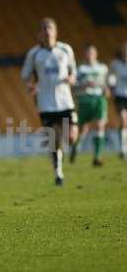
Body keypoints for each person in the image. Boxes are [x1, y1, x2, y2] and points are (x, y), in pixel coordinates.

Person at [21, 17, 78, 186]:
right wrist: (30, 85)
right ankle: (58, 173)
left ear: (55, 31)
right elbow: (25, 75)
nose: (47, 31)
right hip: (46, 104)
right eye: (43, 28)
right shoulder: (34, 54)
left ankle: (73, 145)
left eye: (50, 28)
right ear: (39, 34)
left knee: (72, 137)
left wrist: (72, 78)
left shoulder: (65, 49)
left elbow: (73, 70)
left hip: (66, 101)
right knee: (54, 140)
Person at [70, 44, 109, 166]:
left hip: (99, 100)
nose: (90, 55)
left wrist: (106, 89)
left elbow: (106, 84)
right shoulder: (80, 70)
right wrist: (84, 85)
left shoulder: (103, 68)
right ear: (85, 54)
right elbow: (73, 86)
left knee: (100, 126)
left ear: (96, 54)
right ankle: (76, 148)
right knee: (83, 130)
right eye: (88, 53)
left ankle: (97, 157)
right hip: (85, 101)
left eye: (92, 53)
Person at [109, 42, 127, 160]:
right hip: (120, 95)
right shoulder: (115, 64)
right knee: (123, 118)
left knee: (125, 123)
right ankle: (122, 148)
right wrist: (111, 87)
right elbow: (110, 77)